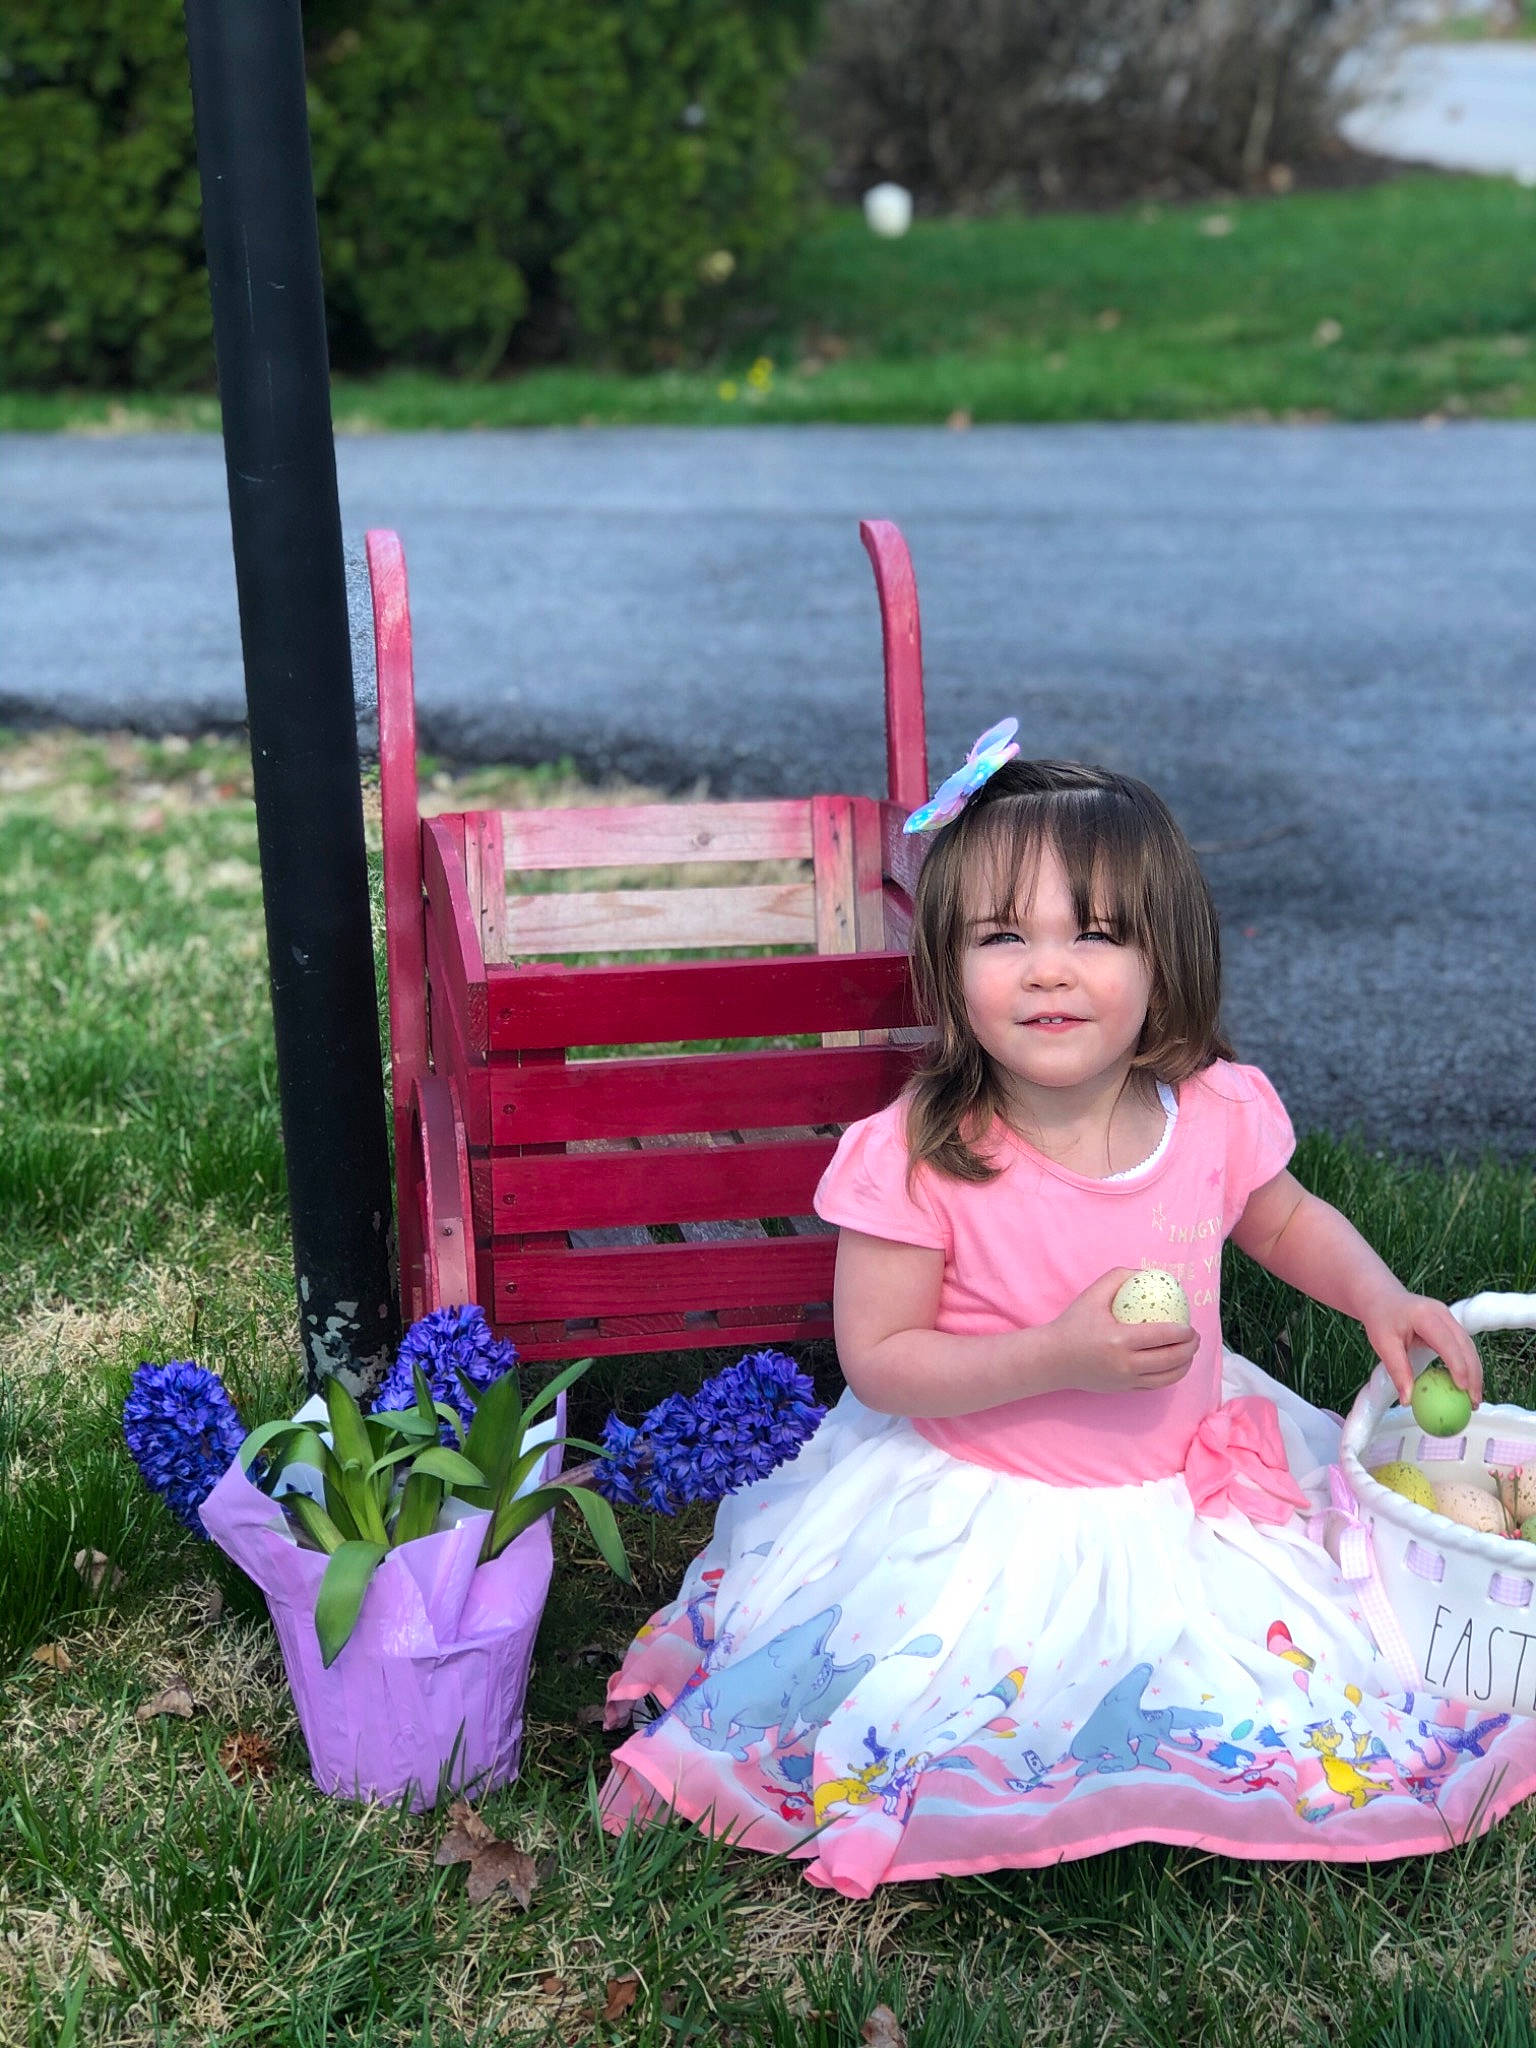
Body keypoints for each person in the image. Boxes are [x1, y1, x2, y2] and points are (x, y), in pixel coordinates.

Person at [599, 726, 1536, 1900]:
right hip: (993, 1494)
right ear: (948, 968)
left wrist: (1381, 1293)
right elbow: (880, 1359)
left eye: (1094, 934)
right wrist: (1055, 1354)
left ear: (1164, 960)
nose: (1048, 969)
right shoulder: (921, 1156)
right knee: (961, 1689)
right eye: (1004, 936)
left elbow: (1285, 1219)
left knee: (1318, 1657)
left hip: (1183, 1470)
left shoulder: (1210, 1111)